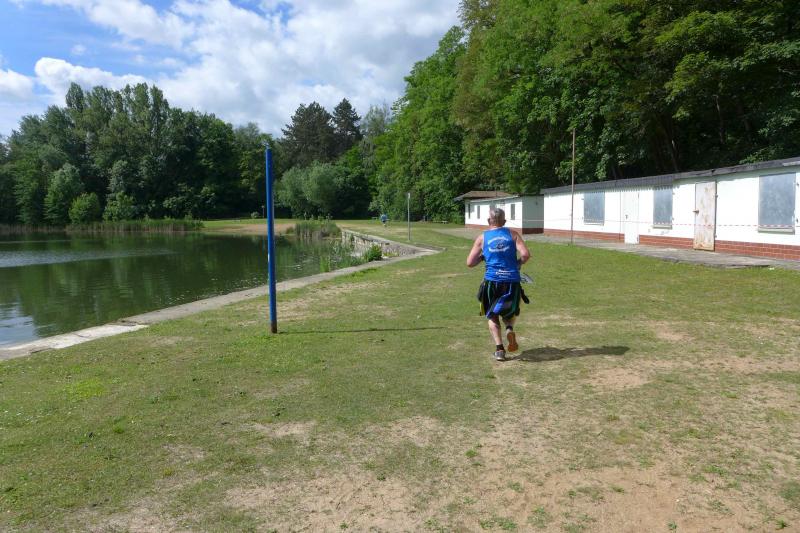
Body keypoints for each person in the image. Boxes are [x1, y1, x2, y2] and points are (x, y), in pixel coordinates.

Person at [466, 207, 531, 361]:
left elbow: (470, 263)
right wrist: (517, 264)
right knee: (509, 311)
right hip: (512, 281)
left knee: (492, 315)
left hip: (492, 281)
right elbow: (526, 255)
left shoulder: (482, 238)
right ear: (505, 221)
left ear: (489, 221)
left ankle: (500, 350)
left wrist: (483, 257)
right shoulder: (513, 234)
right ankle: (509, 328)